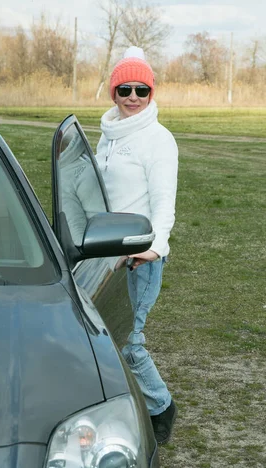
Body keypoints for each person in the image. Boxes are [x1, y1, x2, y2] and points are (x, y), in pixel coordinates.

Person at [95, 46, 179, 444]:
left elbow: (165, 203)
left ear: (151, 93)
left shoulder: (158, 140)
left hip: (138, 258)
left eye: (141, 90)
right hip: (105, 254)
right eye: (124, 89)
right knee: (104, 335)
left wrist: (155, 247)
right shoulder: (108, 135)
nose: (132, 97)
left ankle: (161, 406)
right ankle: (119, 402)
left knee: (129, 341)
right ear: (113, 93)